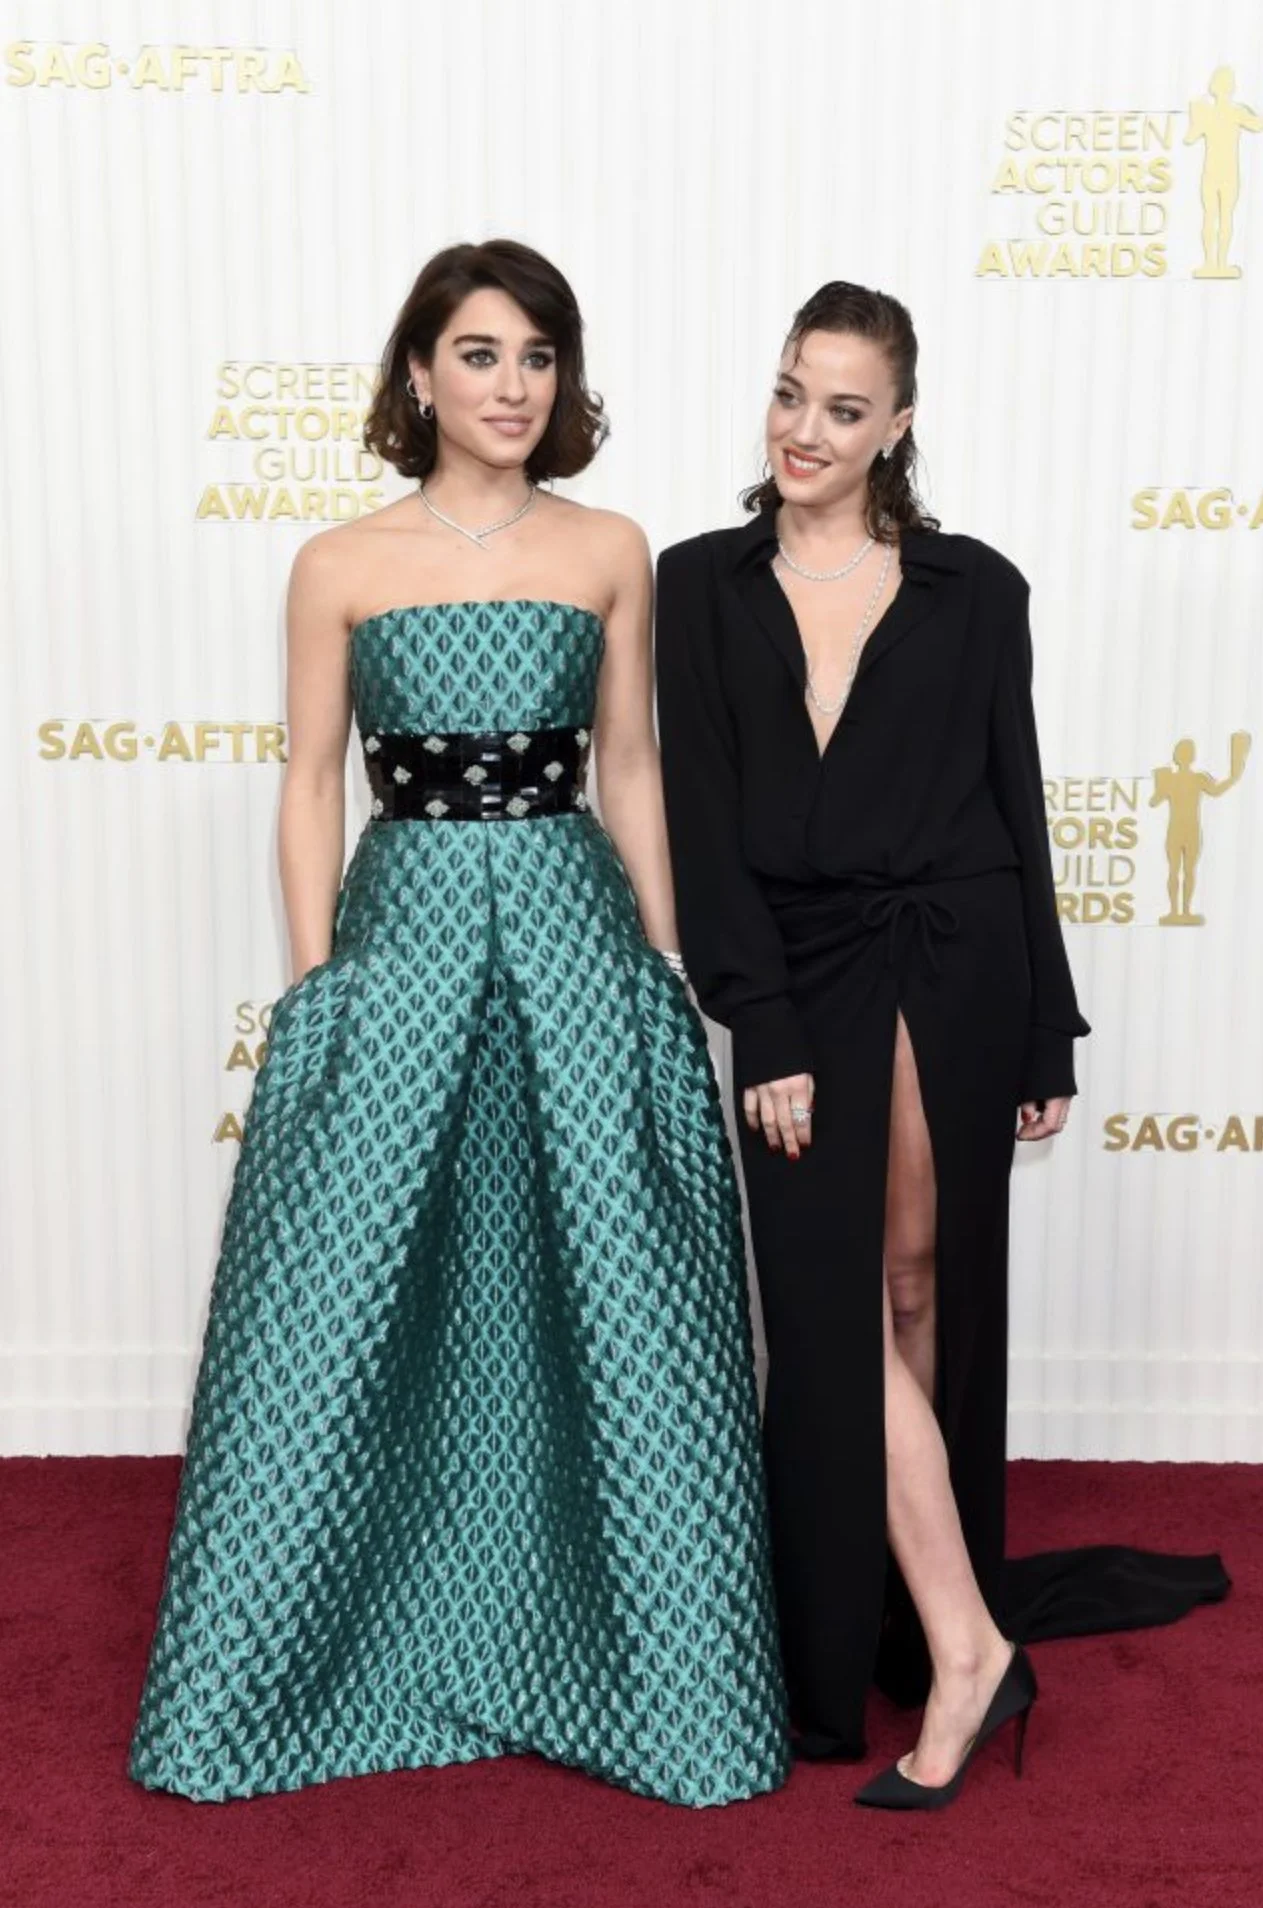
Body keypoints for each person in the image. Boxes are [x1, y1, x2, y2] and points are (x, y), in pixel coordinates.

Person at [130, 240, 788, 1810]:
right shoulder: (338, 564)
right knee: (349, 1284)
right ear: (418, 373)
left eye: (537, 356)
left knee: (612, 1285)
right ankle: (318, 1666)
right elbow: (309, 781)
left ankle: (642, 1672)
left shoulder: (609, 547)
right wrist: (318, 988)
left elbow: (628, 765)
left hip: (570, 927)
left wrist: (658, 961)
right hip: (404, 929)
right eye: (480, 354)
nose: (511, 386)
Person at [655, 280, 1227, 1812]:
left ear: (896, 424)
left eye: (843, 407)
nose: (803, 429)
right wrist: (760, 1019)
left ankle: (912, 1622)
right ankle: (966, 1642)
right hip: (802, 974)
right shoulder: (696, 584)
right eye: (789, 391)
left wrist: (1045, 1023)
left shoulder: (976, 589)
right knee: (825, 1308)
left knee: (913, 1288)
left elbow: (1011, 803)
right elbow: (702, 826)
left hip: (957, 964)